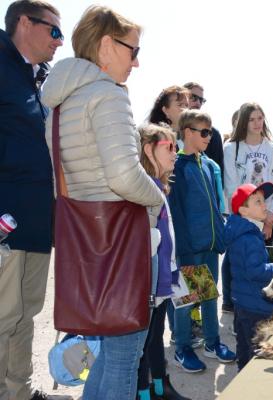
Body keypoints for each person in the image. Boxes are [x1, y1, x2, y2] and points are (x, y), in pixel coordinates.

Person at [42, 5, 164, 399]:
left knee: (107, 355)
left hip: (86, 245)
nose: (137, 62)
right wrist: (157, 199)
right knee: (124, 356)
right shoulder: (108, 95)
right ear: (107, 46)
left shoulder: (59, 103)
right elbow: (124, 176)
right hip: (121, 244)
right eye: (133, 50)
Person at [0, 1, 62, 399]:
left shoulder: (39, 79)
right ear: (25, 23)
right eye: (54, 31)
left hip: (38, 221)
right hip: (6, 219)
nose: (60, 41)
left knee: (26, 315)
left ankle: (17, 391)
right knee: (3, 316)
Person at [168, 109, 236, 372]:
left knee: (210, 295)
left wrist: (219, 237)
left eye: (211, 131)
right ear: (187, 133)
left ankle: (212, 342)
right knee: (185, 299)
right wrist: (184, 249)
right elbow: (177, 212)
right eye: (204, 132)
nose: (210, 136)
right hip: (189, 248)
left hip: (209, 245)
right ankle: (183, 347)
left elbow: (217, 206)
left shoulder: (208, 165)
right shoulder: (178, 166)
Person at [136, 124, 190, 400]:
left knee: (156, 338)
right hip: (149, 282)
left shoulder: (161, 187)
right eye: (169, 147)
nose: (175, 153)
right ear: (148, 149)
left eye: (176, 147)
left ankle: (161, 388)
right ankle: (143, 393)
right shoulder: (142, 189)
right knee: (143, 343)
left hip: (164, 278)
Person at [224, 182, 273, 370]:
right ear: (243, 210)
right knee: (257, 356)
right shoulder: (249, 237)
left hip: (243, 302)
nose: (264, 205)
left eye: (263, 201)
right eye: (257, 202)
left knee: (244, 350)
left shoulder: (240, 231)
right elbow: (255, 271)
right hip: (257, 306)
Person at [223, 102, 273, 240]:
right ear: (244, 122)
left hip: (267, 216)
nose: (257, 123)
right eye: (251, 119)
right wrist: (249, 215)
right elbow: (231, 188)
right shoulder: (231, 148)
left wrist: (270, 217)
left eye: (260, 118)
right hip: (242, 216)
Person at [183, 82, 224, 174]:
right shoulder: (170, 132)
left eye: (201, 100)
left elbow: (218, 173)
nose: (198, 103)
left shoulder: (213, 134)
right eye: (193, 97)